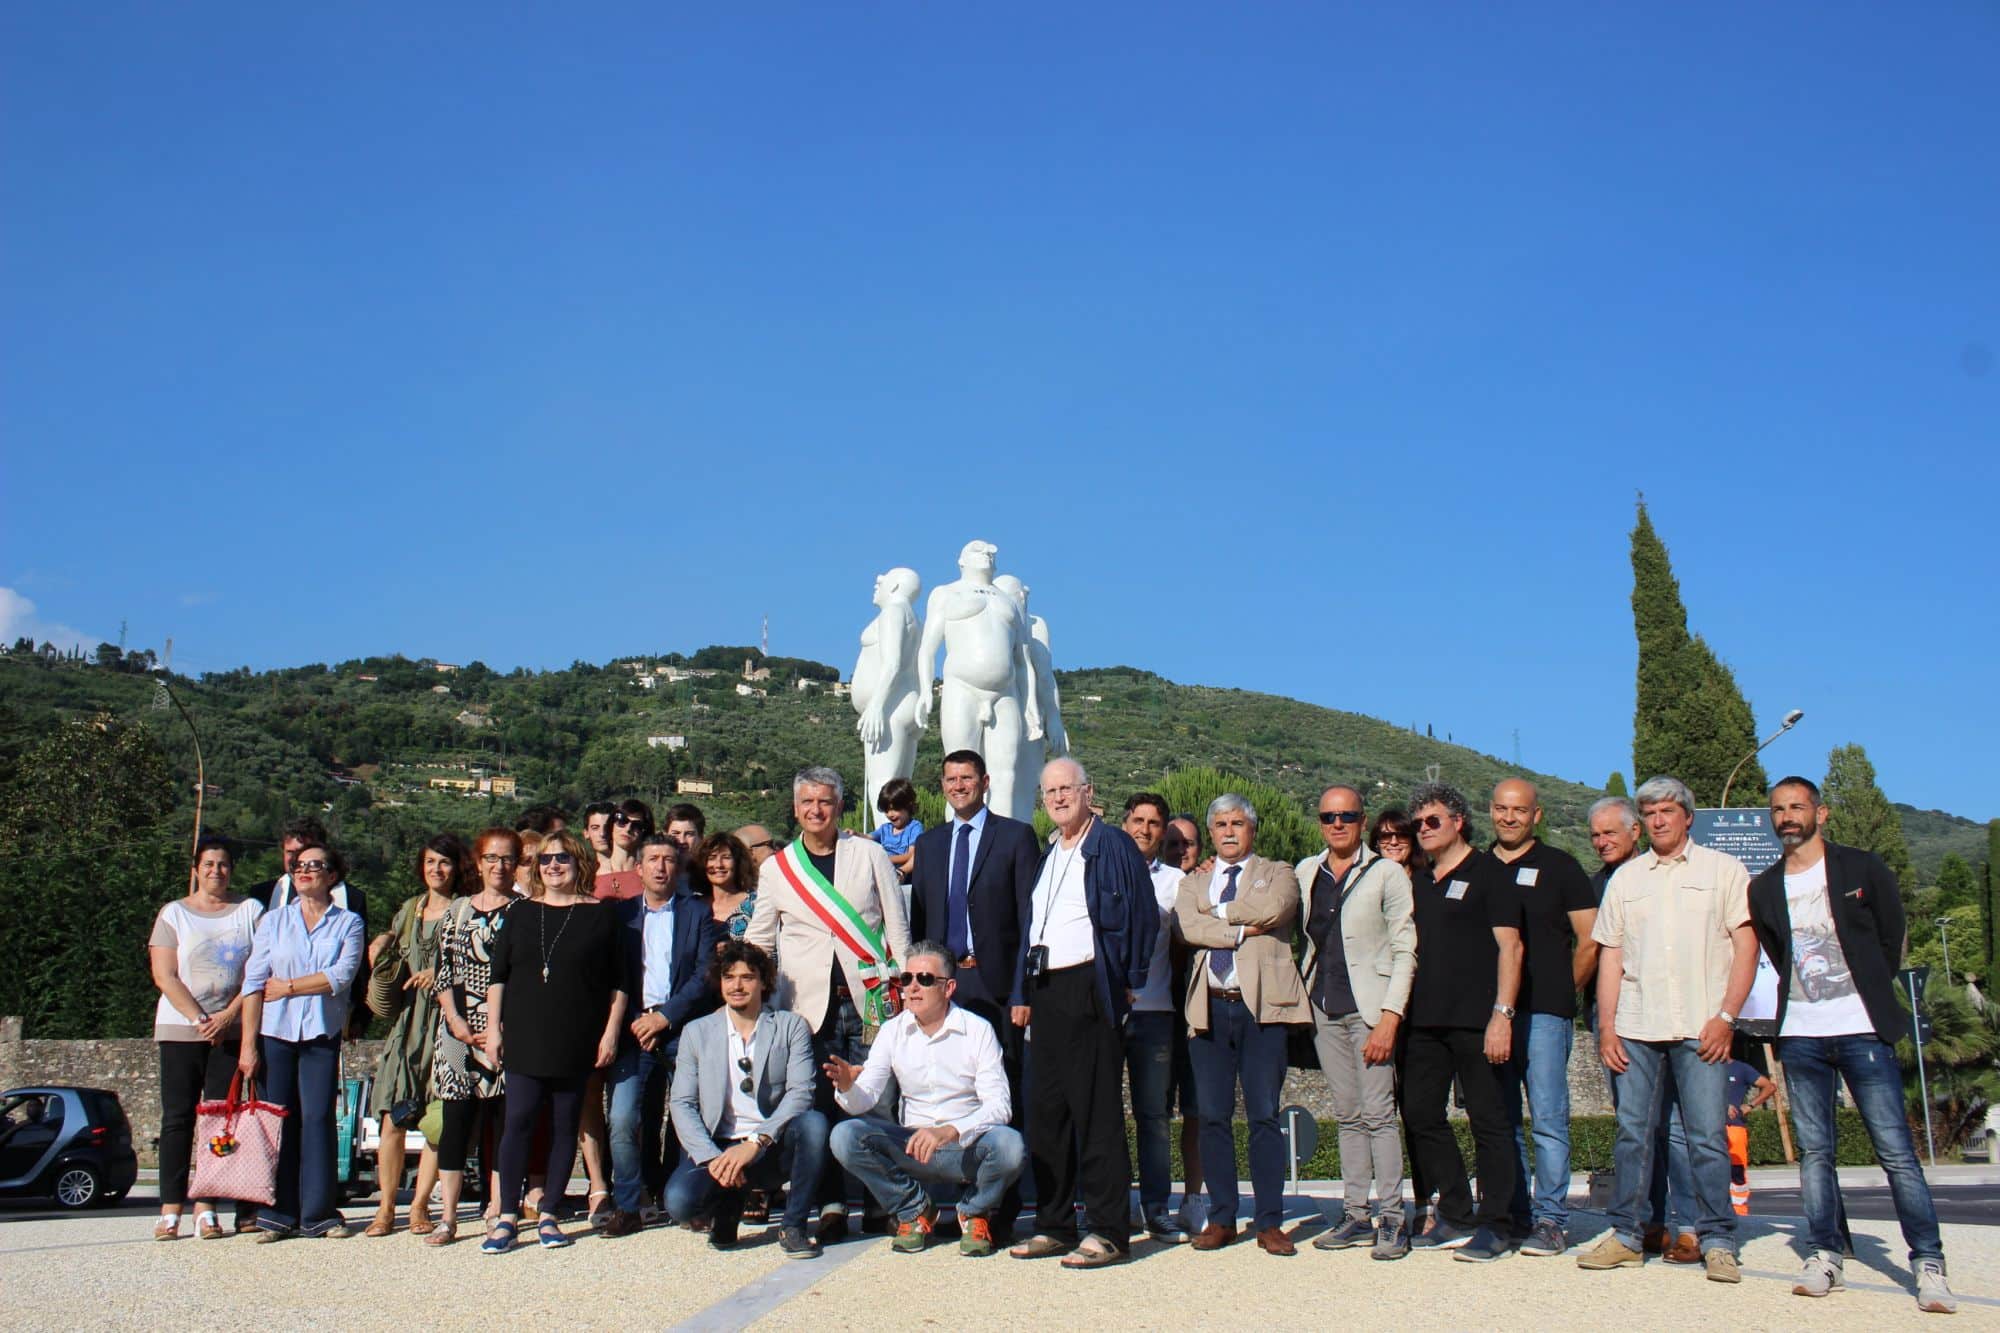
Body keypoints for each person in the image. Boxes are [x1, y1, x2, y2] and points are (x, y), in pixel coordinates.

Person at [1747, 776, 1956, 1313]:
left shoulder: (1863, 868)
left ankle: (1928, 1262)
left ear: (1822, 813)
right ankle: (1824, 1254)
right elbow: (1778, 949)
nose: (1787, 817)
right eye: (1778, 809)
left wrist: (1865, 993)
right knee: (1816, 1154)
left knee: (1897, 1154)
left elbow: (1891, 936)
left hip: (1863, 1029)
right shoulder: (1765, 886)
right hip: (1801, 1036)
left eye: (1797, 807)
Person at [1578, 776, 1756, 1284]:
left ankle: (1716, 1238)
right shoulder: (1627, 880)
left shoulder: (1724, 870)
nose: (1658, 820)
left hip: (1702, 1026)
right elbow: (1610, 956)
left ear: (1687, 817)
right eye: (1650, 812)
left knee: (1705, 1136)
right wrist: (1607, 1027)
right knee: (1633, 1134)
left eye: (1667, 811)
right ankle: (1628, 1235)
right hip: (1636, 1025)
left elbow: (1746, 947)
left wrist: (1726, 1017)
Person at [747, 767, 912, 1241]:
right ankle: (832, 1203)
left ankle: (885, 1203)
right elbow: (761, 943)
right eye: (807, 802)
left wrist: (902, 992)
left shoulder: (871, 853)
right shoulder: (777, 868)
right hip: (805, 1007)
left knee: (877, 1102)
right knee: (817, 1108)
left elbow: (897, 930)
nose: (816, 810)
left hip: (871, 1000)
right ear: (795, 808)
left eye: (825, 802)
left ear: (840, 806)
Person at [1009, 758, 1155, 1269]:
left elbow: (1141, 914)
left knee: (1096, 1116)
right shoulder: (1050, 851)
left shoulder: (1110, 844)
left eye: (1066, 788)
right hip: (1046, 989)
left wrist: (1129, 981)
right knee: (1048, 1115)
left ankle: (1109, 1231)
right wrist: (1023, 991)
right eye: (1048, 791)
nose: (1057, 798)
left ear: (1088, 791)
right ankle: (1055, 1226)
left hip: (1089, 986)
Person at [909, 749, 1043, 1238]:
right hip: (943, 983)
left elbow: (1030, 919)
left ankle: (999, 1207)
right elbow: (921, 923)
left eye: (967, 778)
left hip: (995, 980)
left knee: (1002, 1086)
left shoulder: (1015, 837)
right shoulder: (930, 843)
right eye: (950, 779)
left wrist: (1021, 990)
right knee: (939, 1081)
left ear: (984, 782)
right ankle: (936, 1203)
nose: (958, 786)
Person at [482, 828, 630, 1254]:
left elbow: (620, 982)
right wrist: (494, 1029)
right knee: (519, 1121)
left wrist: (610, 1031)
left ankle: (549, 1212)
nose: (553, 867)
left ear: (578, 863)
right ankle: (507, 1214)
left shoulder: (600, 915)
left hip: (576, 1033)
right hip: (526, 1031)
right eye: (545, 860)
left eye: (562, 858)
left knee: (567, 1126)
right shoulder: (521, 913)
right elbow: (499, 976)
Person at [826, 942, 1026, 1256]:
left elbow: (1000, 1106)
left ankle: (974, 1213)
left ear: (949, 988)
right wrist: (849, 1086)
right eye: (906, 979)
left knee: (1011, 1146)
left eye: (925, 979)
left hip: (966, 1147)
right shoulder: (892, 1031)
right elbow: (864, 1101)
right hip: (913, 1146)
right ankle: (914, 1210)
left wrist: (950, 1130)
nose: (913, 988)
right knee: (844, 1135)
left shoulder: (978, 1030)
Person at [1398, 782, 1524, 1263]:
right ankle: (1455, 1209)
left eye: (1433, 820)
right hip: (1425, 1023)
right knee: (1421, 1114)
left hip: (1478, 1021)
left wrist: (1502, 1015)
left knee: (1490, 1123)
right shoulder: (1418, 882)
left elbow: (1511, 946)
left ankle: (1497, 1224)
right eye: (1418, 824)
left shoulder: (1490, 873)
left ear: (1458, 821)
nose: (1424, 830)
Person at [1176, 794, 1305, 1258]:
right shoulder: (1195, 883)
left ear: (1252, 828)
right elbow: (1188, 928)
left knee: (1264, 1115)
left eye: (1237, 823)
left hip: (1262, 1008)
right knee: (1212, 1117)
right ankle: (1223, 1217)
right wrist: (1240, 928)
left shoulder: (1278, 872)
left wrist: (1223, 913)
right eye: (1220, 824)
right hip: (1209, 1007)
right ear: (1211, 832)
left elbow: (1278, 907)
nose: (1229, 831)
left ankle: (1270, 1221)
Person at [1296, 785, 1416, 1260]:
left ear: (1362, 821)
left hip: (1370, 1009)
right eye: (1329, 817)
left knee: (1379, 1115)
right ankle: (1355, 1213)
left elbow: (1405, 947)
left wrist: (1391, 1016)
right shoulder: (1307, 871)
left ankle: (1392, 1216)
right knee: (1347, 1115)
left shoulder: (1386, 873)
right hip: (1324, 1007)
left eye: (1346, 816)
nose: (1338, 824)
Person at [1487, 779, 1598, 1258]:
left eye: (1519, 810)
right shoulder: (1477, 866)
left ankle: (1551, 1219)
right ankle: (1512, 1213)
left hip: (1546, 1015)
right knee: (1501, 1119)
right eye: (1501, 808)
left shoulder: (1561, 867)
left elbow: (1591, 940)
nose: (1509, 817)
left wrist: (1562, 987)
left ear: (1537, 815)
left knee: (1549, 1120)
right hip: (1492, 1015)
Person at [238, 838, 367, 1241]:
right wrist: (247, 1046)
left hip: (319, 1034)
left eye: (315, 866)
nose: (304, 871)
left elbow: (341, 977)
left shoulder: (348, 923)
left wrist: (289, 987)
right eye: (299, 866)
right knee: (278, 1119)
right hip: (275, 1033)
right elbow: (255, 984)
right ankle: (276, 1214)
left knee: (317, 1119)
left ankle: (319, 1213)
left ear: (332, 875)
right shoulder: (273, 922)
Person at [666, 941, 828, 1258]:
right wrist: (713, 1159)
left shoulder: (789, 1026)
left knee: (814, 1124)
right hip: (719, 1146)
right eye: (729, 977)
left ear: (763, 982)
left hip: (769, 1145)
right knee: (679, 1203)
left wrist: (756, 1142)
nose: (737, 985)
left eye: (747, 977)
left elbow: (801, 1092)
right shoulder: (696, 1032)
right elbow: (681, 1104)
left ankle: (793, 1226)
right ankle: (727, 1208)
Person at [1587, 794, 1695, 1259]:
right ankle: (1646, 1221)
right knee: (1636, 1124)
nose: (1601, 841)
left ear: (1637, 831)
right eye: (1594, 835)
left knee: (1679, 1124)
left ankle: (1688, 1223)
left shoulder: (1671, 876)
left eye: (1611, 832)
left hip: (1677, 1012)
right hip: (1618, 1016)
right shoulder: (1595, 886)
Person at [603, 835, 724, 1236]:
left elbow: (705, 975)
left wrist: (665, 1018)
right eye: (652, 859)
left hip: (681, 1029)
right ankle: (628, 1203)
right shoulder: (619, 917)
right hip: (632, 1030)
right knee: (623, 1118)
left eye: (669, 860)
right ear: (638, 868)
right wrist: (641, 1021)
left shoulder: (698, 913)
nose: (660, 867)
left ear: (679, 867)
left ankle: (689, 1199)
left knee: (689, 1118)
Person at [150, 834, 262, 1241]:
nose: (217, 871)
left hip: (229, 1034)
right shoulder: (174, 914)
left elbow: (257, 972)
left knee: (220, 1121)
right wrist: (200, 1018)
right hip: (182, 1030)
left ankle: (207, 1206)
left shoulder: (249, 911)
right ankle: (170, 1209)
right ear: (196, 869)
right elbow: (164, 975)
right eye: (209, 864)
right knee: (178, 1119)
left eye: (224, 864)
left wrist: (227, 1016)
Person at [364, 834, 468, 1237]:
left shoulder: (463, 910)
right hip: (407, 1023)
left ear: (456, 867)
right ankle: (386, 1207)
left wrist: (440, 976)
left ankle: (420, 1204)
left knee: (437, 1122)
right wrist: (383, 943)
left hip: (447, 1022)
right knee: (391, 1115)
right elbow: (393, 945)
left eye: (443, 862)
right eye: (429, 862)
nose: (436, 870)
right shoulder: (410, 910)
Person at [426, 828, 522, 1248]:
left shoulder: (525, 911)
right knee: (455, 1123)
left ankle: (498, 1208)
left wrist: (500, 1026)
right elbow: (443, 971)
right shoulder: (458, 912)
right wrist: (457, 1021)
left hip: (507, 1029)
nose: (499, 866)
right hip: (458, 1030)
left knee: (503, 1123)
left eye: (507, 858)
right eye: (491, 858)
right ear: (478, 862)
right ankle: (447, 1216)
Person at [1119, 791, 1201, 1244]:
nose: (1144, 829)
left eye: (1153, 823)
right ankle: (1113, 1204)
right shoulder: (1102, 869)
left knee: (1154, 1117)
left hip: (1155, 1013)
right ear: (1126, 823)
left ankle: (1156, 1209)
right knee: (1106, 1115)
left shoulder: (1177, 882)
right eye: (1137, 820)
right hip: (1109, 1012)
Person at [695, 832, 759, 942]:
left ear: (738, 862)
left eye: (726, 857)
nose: (719, 864)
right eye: (712, 857)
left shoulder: (756, 904)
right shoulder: (693, 905)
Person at [595, 799, 652, 902]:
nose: (628, 829)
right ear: (611, 825)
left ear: (644, 833)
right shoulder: (591, 874)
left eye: (637, 825)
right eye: (622, 820)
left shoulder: (649, 874)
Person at [871, 776, 922, 884]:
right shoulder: (885, 829)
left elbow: (911, 855)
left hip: (905, 878)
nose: (890, 814)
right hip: (885, 873)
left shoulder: (914, 827)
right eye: (887, 810)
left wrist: (886, 859)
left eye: (895, 809)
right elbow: (867, 837)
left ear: (908, 806)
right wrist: (855, 834)